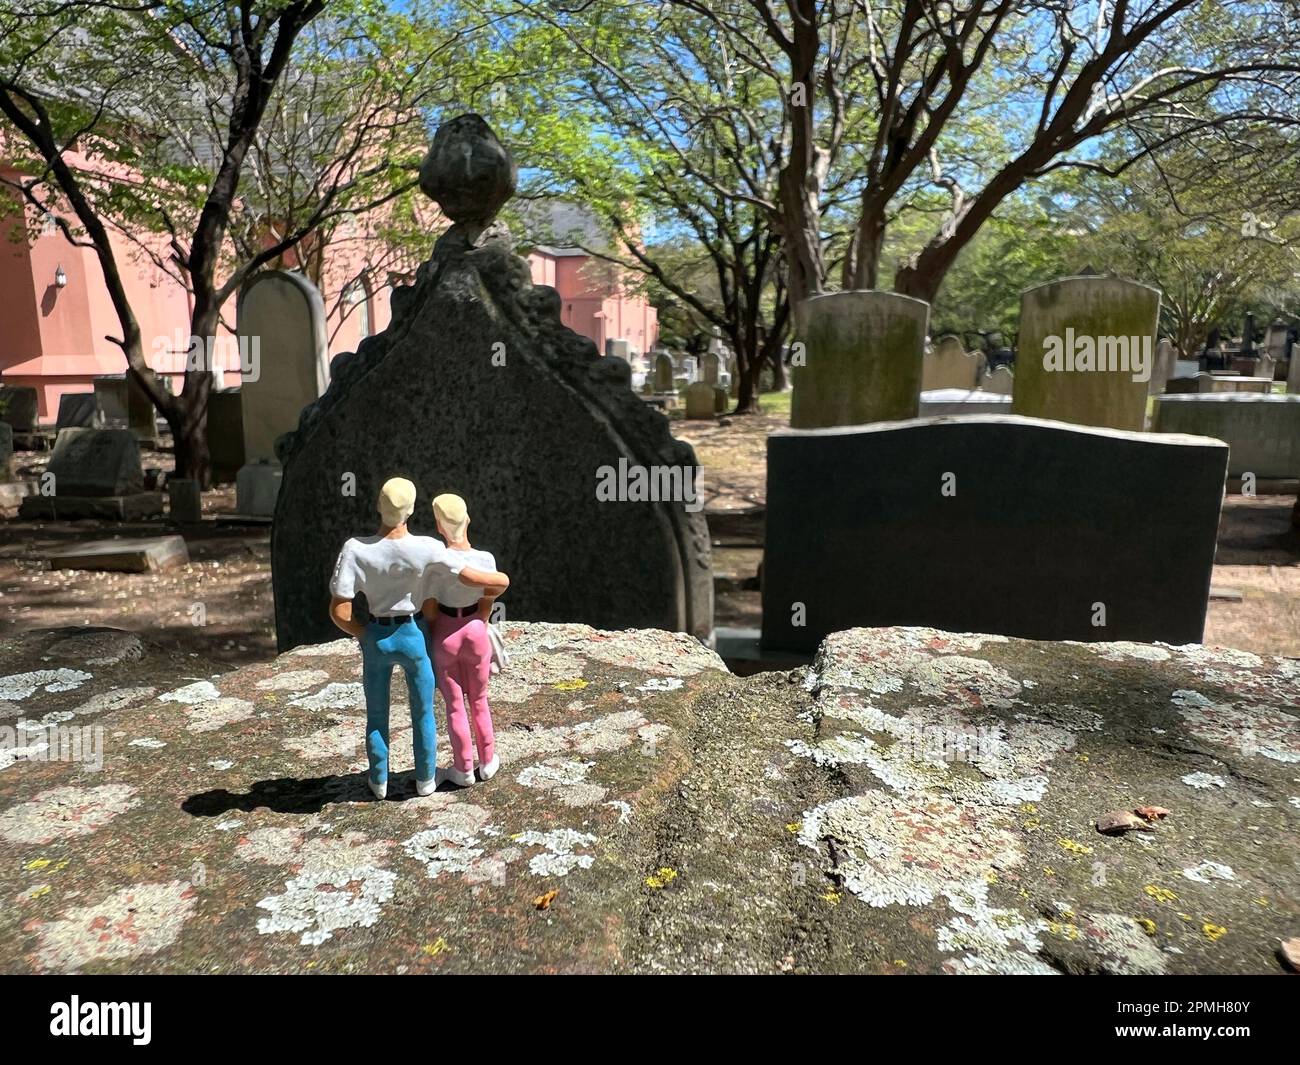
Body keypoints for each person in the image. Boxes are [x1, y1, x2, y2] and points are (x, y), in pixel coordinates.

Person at [327, 478, 508, 800]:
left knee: (377, 712)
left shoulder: (356, 549)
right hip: (412, 634)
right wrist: (499, 582)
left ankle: (378, 779)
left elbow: (339, 611)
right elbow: (468, 575)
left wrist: (365, 633)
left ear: (378, 507)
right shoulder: (427, 548)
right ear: (411, 510)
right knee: (423, 710)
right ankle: (426, 778)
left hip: (377, 634)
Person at [422, 492, 507, 787]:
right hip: (475, 628)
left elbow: (430, 608)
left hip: (446, 630)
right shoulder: (485, 559)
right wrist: (480, 624)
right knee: (480, 699)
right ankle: (487, 760)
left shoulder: (435, 564)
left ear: (438, 527)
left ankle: (463, 768)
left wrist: (437, 631)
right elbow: (488, 599)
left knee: (454, 705)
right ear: (468, 519)